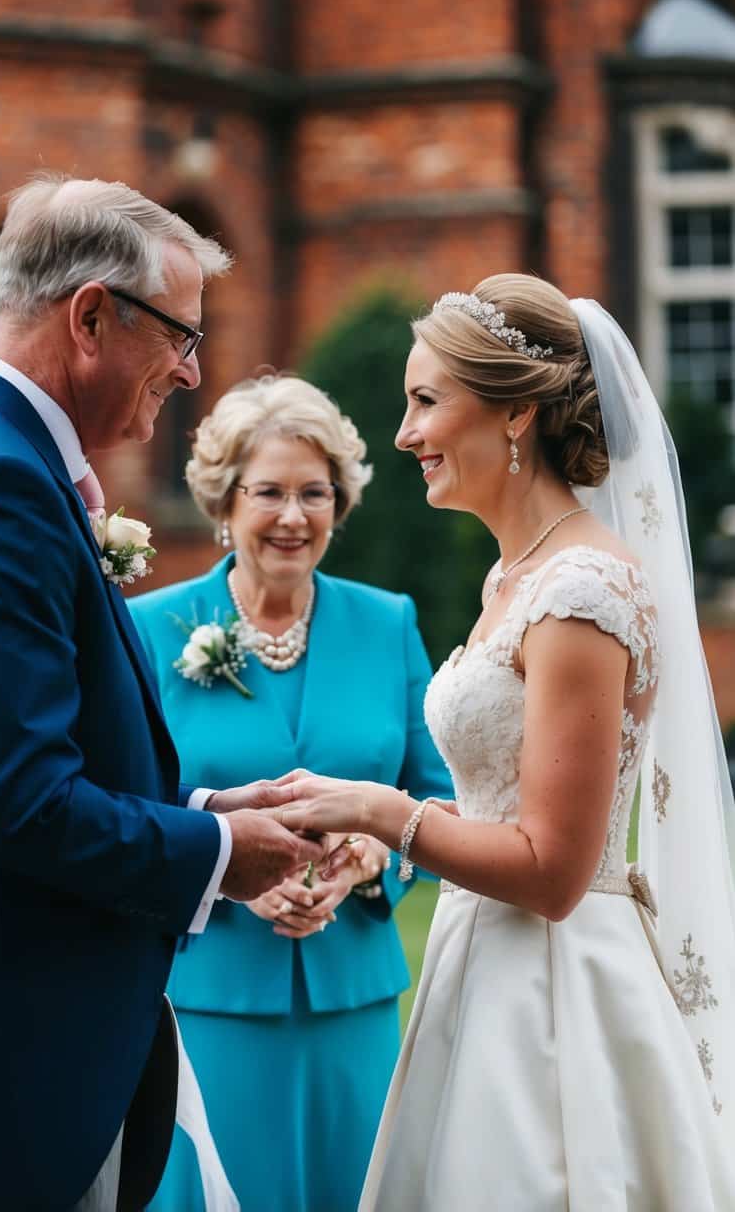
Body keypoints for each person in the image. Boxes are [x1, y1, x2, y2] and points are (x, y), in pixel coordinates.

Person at [0, 175, 326, 1212]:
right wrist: (222, 856)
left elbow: (22, 751)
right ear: (91, 316)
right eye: (179, 335)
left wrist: (196, 812)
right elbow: (14, 802)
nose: (189, 371)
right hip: (10, 1050)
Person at [273, 275, 735, 1210]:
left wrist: (383, 809)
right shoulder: (511, 582)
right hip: (477, 960)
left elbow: (555, 871)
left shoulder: (582, 594)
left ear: (516, 412)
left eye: (425, 402)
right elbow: (511, 805)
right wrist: (401, 831)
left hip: (555, 999)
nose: (403, 434)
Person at [129, 373, 452, 1212]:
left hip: (353, 996)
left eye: (315, 493)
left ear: (340, 503)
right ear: (224, 499)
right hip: (210, 993)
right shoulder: (149, 626)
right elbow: (125, 803)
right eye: (268, 491)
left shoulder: (387, 623)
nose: (292, 516)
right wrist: (228, 873)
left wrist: (376, 859)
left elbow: (441, 799)